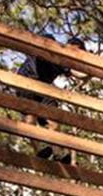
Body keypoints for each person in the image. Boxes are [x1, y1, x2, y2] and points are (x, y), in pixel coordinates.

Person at [15, 34, 85, 164]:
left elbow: (79, 75)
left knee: (54, 120)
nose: (73, 55)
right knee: (30, 119)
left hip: (45, 88)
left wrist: (90, 73)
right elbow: (40, 41)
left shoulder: (63, 64)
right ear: (69, 46)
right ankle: (40, 149)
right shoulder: (52, 43)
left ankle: (57, 153)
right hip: (26, 81)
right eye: (74, 51)